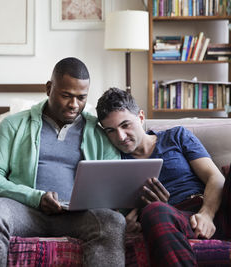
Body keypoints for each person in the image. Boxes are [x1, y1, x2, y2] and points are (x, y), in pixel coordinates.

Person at [0, 58, 126, 266]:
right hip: (25, 210)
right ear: (49, 88)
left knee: (113, 222)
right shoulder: (13, 124)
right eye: (66, 96)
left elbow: (114, 182)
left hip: (77, 216)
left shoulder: (100, 131)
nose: (74, 105)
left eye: (81, 98)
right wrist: (36, 197)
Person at [96, 87, 230, 267]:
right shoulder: (115, 161)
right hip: (173, 218)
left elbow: (215, 177)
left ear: (141, 117)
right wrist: (124, 224)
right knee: (155, 211)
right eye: (110, 130)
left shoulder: (176, 136)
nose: (120, 136)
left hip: (213, 208)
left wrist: (206, 214)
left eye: (125, 125)